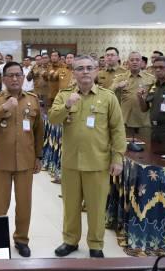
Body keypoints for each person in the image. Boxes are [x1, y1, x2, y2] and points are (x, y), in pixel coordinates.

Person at [49, 55, 126, 258]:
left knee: (97, 207)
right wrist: (67, 105)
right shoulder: (64, 95)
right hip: (71, 162)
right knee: (71, 207)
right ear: (74, 72)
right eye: (80, 68)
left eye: (89, 68)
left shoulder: (108, 97)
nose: (85, 71)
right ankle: (70, 241)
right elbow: (53, 119)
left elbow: (118, 129)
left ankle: (96, 244)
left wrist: (118, 158)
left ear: (96, 71)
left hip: (98, 163)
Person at [0, 62, 43, 257]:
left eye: (18, 75)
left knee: (24, 204)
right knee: (0, 205)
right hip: (1, 162)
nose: (15, 79)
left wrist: (39, 156)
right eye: (10, 75)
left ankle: (21, 240)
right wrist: (3, 108)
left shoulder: (32, 100)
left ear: (23, 77)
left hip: (25, 161)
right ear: (4, 78)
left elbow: (39, 131)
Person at [111, 51, 155, 142]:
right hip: (125, 121)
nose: (134, 62)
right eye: (132, 60)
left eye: (137, 60)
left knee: (145, 147)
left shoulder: (150, 78)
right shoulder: (120, 77)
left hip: (143, 122)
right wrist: (118, 86)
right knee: (125, 148)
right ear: (128, 62)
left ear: (141, 62)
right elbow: (108, 92)